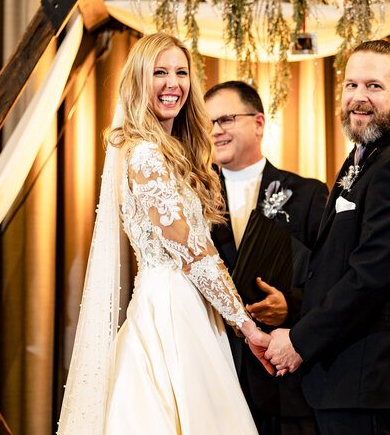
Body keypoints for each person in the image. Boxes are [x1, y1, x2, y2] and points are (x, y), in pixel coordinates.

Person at [57, 33, 272, 434]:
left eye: (181, 72)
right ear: (139, 81)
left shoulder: (168, 151)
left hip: (185, 302)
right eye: (159, 72)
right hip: (171, 308)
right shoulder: (146, 155)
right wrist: (246, 326)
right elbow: (194, 253)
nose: (173, 83)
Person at [265, 40, 390, 435]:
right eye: (351, 85)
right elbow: (334, 267)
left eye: (374, 87)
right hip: (342, 381)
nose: (358, 98)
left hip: (369, 381)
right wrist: (292, 305)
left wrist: (299, 340)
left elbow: (370, 278)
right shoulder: (362, 159)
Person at [205, 81, 329, 435]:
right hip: (215, 372)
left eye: (225, 119)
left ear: (258, 123)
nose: (215, 131)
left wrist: (289, 306)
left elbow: (330, 278)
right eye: (208, 123)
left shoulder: (307, 195)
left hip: (284, 382)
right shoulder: (190, 196)